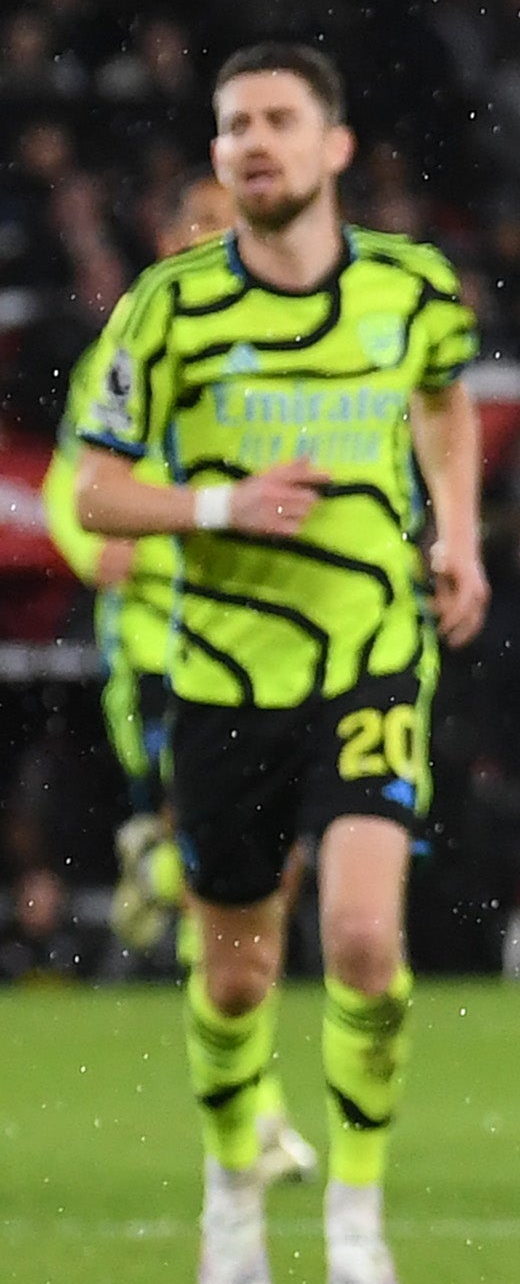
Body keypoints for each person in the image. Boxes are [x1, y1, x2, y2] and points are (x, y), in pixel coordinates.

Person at [70, 44, 487, 1284]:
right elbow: (94, 491)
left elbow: (445, 401)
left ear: (335, 146)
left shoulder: (413, 287)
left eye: (278, 119)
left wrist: (458, 534)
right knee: (238, 973)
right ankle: (230, 1181)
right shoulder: (168, 310)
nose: (253, 141)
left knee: (362, 937)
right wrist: (218, 504)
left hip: (368, 647)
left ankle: (357, 1211)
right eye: (233, 124)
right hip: (221, 671)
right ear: (217, 155)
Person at [44, 174, 321, 1177]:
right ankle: (263, 1116)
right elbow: (71, 482)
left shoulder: (269, 344)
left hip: (258, 635)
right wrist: (92, 544)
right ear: (168, 238)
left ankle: (155, 868)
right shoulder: (128, 344)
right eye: (198, 223)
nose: (213, 240)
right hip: (164, 641)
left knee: (267, 885)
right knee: (224, 883)